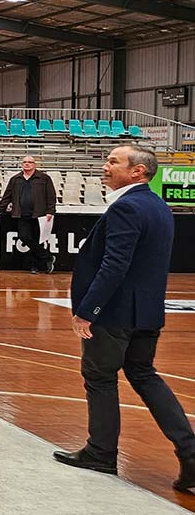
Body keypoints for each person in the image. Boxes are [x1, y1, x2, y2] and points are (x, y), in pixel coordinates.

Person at [54, 144, 195, 492]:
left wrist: (88, 310)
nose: (105, 166)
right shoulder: (157, 205)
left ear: (138, 171)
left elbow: (115, 264)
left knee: (99, 377)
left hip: (116, 313)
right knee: (145, 375)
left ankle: (101, 453)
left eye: (113, 161)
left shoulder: (128, 208)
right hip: (146, 310)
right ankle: (191, 453)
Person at [0, 155, 58, 274]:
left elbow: (51, 196)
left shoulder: (44, 178)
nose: (27, 164)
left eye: (29, 162)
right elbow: (7, 196)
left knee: (36, 240)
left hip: (39, 215)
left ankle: (35, 266)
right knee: (24, 237)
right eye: (24, 162)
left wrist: (51, 211)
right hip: (22, 214)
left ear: (35, 165)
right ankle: (47, 257)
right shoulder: (15, 179)